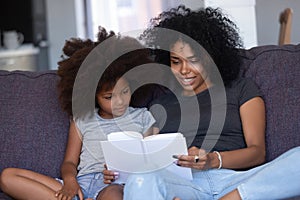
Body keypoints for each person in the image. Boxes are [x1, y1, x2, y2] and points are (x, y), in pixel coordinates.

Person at [104, 5, 300, 200]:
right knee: (140, 179)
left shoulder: (241, 89)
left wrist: (213, 160)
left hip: (236, 182)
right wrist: (120, 170)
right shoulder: (160, 104)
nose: (183, 70)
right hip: (185, 185)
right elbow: (146, 154)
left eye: (193, 60)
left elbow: (258, 153)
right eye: (176, 61)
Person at [0, 27, 159, 200]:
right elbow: (69, 162)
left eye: (125, 91)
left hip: (113, 186)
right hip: (79, 185)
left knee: (114, 195)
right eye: (109, 96)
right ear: (93, 95)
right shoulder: (82, 120)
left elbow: (151, 161)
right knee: (8, 176)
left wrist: (124, 171)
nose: (119, 101)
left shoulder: (144, 117)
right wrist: (69, 182)